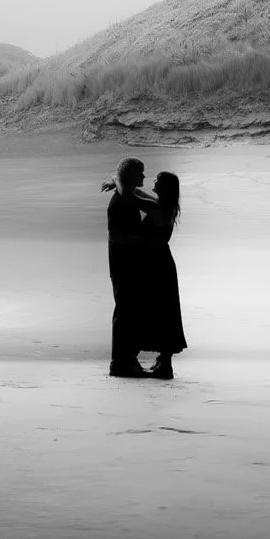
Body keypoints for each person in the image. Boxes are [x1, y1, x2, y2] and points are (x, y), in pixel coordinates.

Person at [102, 157, 152, 376]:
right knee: (125, 312)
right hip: (124, 265)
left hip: (126, 263)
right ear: (130, 176)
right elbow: (116, 236)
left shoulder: (126, 197)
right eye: (139, 173)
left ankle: (127, 359)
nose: (143, 176)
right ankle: (120, 363)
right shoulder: (120, 202)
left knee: (129, 312)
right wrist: (143, 242)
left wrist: (117, 180)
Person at [139, 171, 187, 380]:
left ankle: (165, 364)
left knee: (162, 311)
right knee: (164, 310)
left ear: (165, 187)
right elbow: (142, 195)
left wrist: (120, 184)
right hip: (160, 261)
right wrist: (120, 184)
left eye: (158, 181)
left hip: (157, 263)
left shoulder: (159, 209)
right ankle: (164, 360)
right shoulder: (164, 205)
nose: (154, 182)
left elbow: (136, 199)